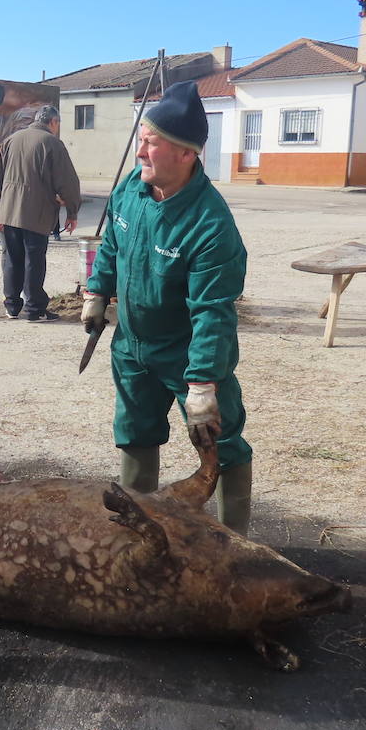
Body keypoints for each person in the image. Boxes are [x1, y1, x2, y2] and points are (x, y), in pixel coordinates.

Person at [81, 80, 252, 535]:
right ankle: (135, 531)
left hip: (183, 352)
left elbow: (212, 312)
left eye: (150, 144)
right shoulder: (130, 191)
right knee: (135, 431)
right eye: (141, 140)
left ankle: (233, 545)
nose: (140, 153)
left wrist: (202, 383)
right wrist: (98, 291)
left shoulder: (210, 225)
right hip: (132, 346)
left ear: (185, 154)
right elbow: (113, 245)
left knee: (223, 440)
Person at [0, 105, 81, 321]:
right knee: (34, 260)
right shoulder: (52, 143)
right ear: (53, 122)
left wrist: (0, 205)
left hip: (9, 211)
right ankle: (34, 309)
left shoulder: (12, 139)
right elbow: (68, 182)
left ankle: (12, 306)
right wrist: (72, 211)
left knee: (12, 258)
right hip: (36, 213)